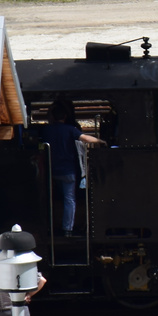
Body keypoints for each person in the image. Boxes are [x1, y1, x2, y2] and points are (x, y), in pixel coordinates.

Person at [40, 100, 104, 237]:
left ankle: (48, 226)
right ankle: (67, 229)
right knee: (69, 199)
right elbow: (85, 138)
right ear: (64, 117)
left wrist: (51, 109)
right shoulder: (70, 129)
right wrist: (100, 141)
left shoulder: (46, 130)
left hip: (50, 171)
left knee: (48, 198)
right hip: (68, 171)